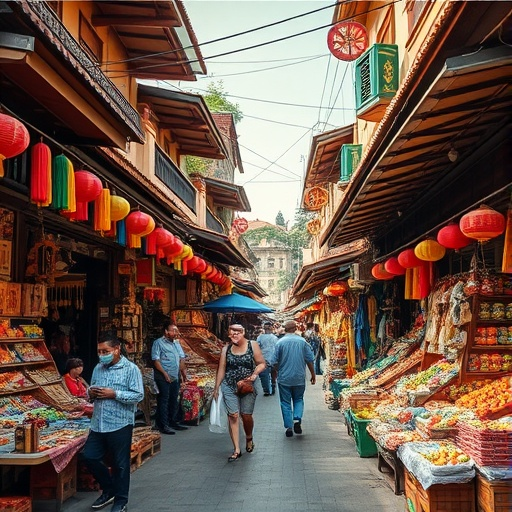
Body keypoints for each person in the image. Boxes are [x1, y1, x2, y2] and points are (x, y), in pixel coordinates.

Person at [81, 334, 144, 512]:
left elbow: (138, 395)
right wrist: (91, 393)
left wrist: (114, 393)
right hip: (98, 423)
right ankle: (109, 489)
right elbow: (90, 389)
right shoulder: (98, 368)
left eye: (106, 351)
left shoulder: (131, 369)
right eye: (99, 351)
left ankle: (121, 501)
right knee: (89, 456)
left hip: (120, 423)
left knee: (120, 464)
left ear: (116, 349)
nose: (102, 355)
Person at [213, 323, 266, 462]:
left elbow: (261, 363)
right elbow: (222, 368)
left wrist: (254, 374)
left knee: (246, 415)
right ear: (229, 334)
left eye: (238, 332)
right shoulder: (226, 349)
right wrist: (216, 387)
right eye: (232, 332)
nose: (235, 334)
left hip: (248, 385)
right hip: (229, 385)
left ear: (243, 333)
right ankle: (237, 449)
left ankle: (249, 437)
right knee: (233, 415)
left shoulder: (252, 345)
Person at [272, 320, 316, 438]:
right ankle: (297, 419)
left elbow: (274, 361)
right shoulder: (302, 342)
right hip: (299, 378)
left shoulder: (279, 343)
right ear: (295, 328)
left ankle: (289, 427)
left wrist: (278, 371)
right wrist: (313, 374)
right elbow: (309, 359)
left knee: (285, 402)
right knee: (298, 399)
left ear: (285, 329)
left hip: (284, 378)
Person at [151, 322, 189, 434]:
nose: (176, 333)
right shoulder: (158, 343)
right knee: (164, 400)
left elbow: (182, 358)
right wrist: (165, 374)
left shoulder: (177, 343)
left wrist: (183, 374)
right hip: (163, 376)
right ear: (166, 332)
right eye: (173, 330)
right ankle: (163, 425)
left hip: (175, 375)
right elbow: (156, 360)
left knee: (174, 399)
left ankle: (173, 421)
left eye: (177, 330)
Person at [256, 322, 278, 396]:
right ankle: (272, 386)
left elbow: (257, 347)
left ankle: (267, 390)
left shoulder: (260, 337)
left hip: (264, 359)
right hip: (271, 358)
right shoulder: (275, 338)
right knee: (272, 374)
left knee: (265, 375)